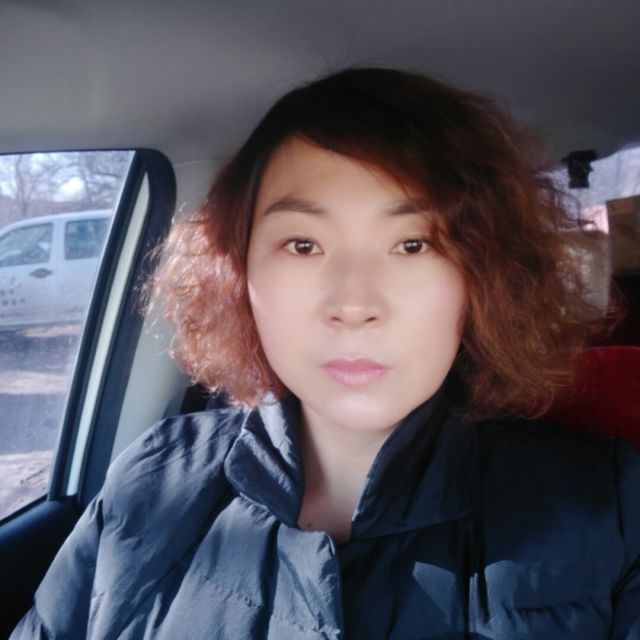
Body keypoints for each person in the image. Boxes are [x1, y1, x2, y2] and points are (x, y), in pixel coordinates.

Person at [11, 68, 640, 639]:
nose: (354, 303)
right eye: (303, 245)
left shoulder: (610, 509)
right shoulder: (151, 478)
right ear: (240, 272)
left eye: (414, 244)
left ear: (484, 277)